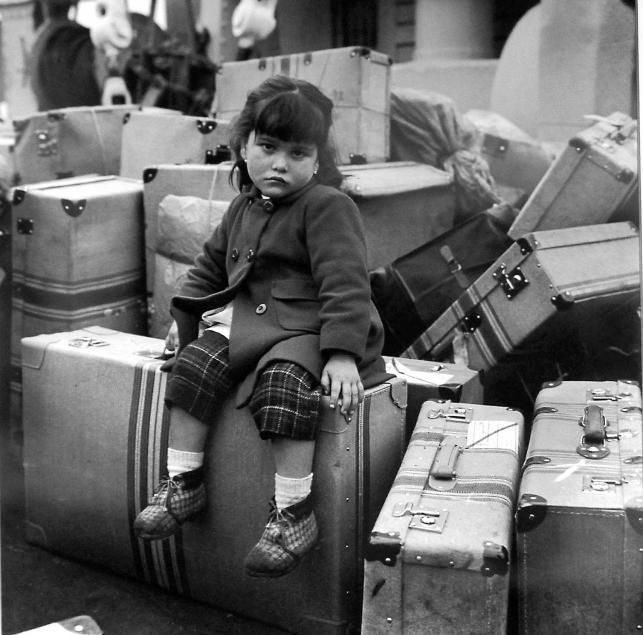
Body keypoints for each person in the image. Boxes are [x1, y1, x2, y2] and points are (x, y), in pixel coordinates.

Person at [133, 75, 389, 578]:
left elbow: (346, 282)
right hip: (251, 323)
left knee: (284, 387)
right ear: (244, 145)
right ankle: (183, 482)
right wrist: (183, 320)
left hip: (313, 328)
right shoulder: (243, 206)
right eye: (268, 147)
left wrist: (341, 353)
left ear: (317, 160)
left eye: (297, 153)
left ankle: (293, 513)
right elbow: (209, 268)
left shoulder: (327, 207)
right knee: (195, 366)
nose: (280, 164)